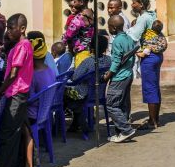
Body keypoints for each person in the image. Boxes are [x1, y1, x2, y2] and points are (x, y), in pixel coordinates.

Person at [0, 13, 33, 167]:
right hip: (18, 94)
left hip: (15, 94)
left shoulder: (22, 46)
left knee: (7, 135)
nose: (8, 31)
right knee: (23, 131)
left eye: (11, 28)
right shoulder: (22, 45)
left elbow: (14, 74)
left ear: (22, 29)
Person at [18, 32, 56, 167]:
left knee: (16, 123)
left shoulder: (32, 75)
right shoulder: (50, 70)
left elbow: (27, 98)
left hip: (33, 113)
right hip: (45, 112)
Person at [103, 14, 138, 143]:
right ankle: (121, 133)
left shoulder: (117, 40)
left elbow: (116, 61)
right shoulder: (128, 38)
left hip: (119, 77)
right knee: (121, 105)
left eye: (108, 26)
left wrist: (108, 75)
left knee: (111, 105)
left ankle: (126, 130)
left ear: (113, 27)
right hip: (128, 74)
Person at [67, 34, 109, 134]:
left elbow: (75, 78)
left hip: (85, 94)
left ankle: (78, 121)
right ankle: (76, 123)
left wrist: (73, 69)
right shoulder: (109, 60)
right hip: (99, 94)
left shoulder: (88, 61)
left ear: (91, 47)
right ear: (105, 48)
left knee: (64, 95)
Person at [137, 19, 168, 130]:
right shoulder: (160, 36)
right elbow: (163, 46)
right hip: (157, 58)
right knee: (155, 87)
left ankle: (152, 121)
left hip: (149, 60)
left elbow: (143, 48)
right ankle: (156, 119)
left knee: (150, 89)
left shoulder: (148, 35)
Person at [62, 0, 94, 68]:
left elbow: (69, 34)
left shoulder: (79, 18)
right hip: (90, 49)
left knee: (79, 74)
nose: (71, 3)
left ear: (81, 2)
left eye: (74, 1)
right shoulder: (91, 14)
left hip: (80, 51)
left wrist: (63, 41)